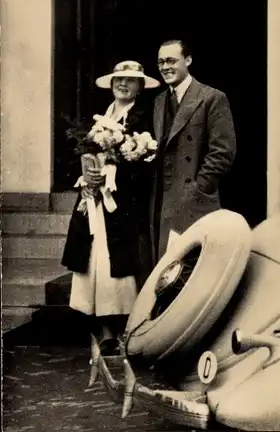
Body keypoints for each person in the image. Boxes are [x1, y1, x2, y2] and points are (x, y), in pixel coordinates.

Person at [61, 60, 160, 357]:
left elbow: (146, 161)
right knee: (94, 262)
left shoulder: (142, 119)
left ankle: (124, 330)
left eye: (131, 81)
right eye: (119, 79)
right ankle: (104, 330)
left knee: (117, 264)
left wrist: (116, 170)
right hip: (95, 199)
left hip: (122, 202)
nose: (123, 85)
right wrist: (88, 173)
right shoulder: (102, 116)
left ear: (140, 86)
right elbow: (85, 151)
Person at [152, 39, 236, 260]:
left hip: (193, 200)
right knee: (166, 268)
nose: (165, 67)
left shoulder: (211, 98)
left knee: (191, 267)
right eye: (161, 62)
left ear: (188, 60)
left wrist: (198, 189)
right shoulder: (159, 101)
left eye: (171, 60)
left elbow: (223, 152)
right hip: (163, 201)